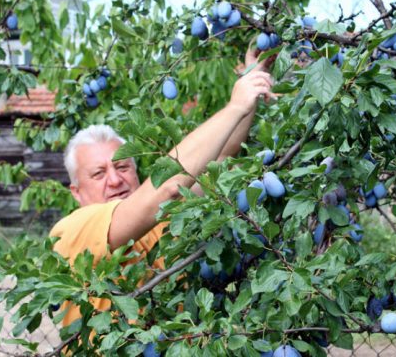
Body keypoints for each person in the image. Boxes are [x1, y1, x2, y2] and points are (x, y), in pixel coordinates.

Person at [51, 48, 274, 327]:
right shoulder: (73, 230)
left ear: (135, 171)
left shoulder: (162, 221)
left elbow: (221, 160)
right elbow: (167, 187)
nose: (115, 180)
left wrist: (251, 84)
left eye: (122, 167)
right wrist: (234, 107)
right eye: (98, 174)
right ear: (76, 192)